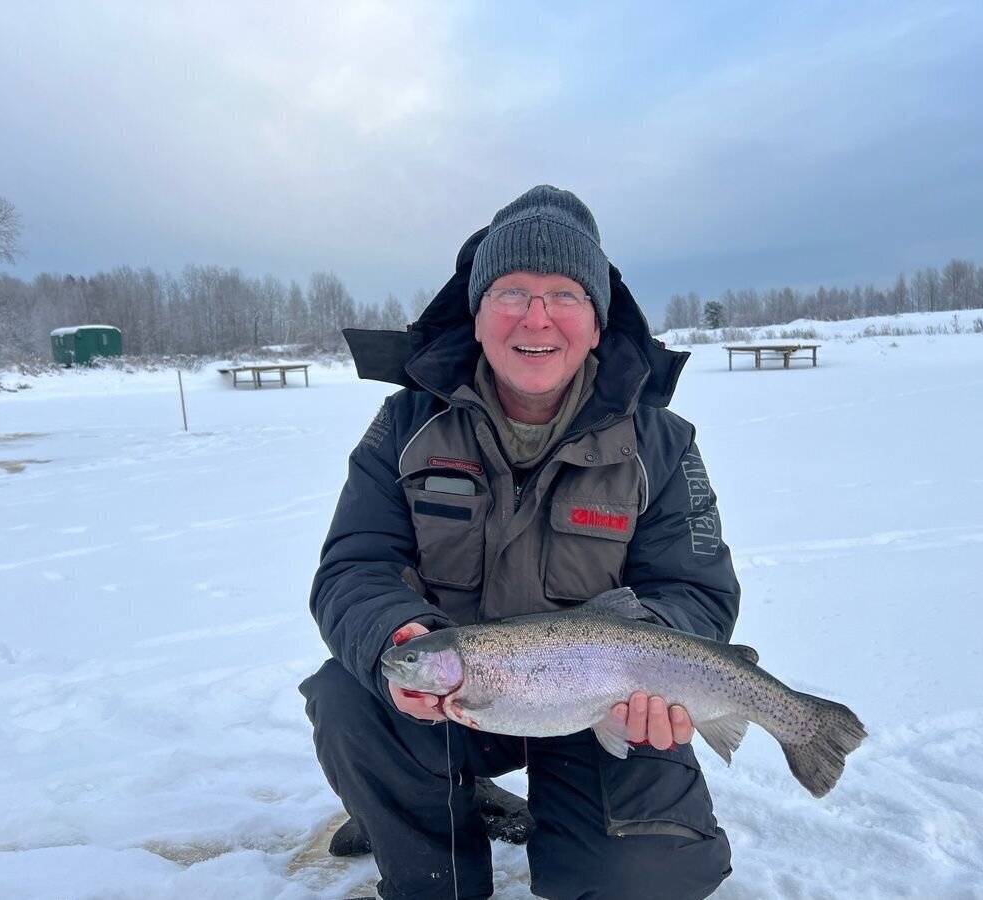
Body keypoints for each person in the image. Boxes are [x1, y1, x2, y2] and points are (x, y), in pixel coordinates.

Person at [300, 185, 741, 900]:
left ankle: (582, 831)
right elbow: (355, 565)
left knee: (645, 879)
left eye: (564, 295)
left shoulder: (661, 443)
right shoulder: (406, 425)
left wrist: (653, 661)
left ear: (597, 322)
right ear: (477, 314)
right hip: (459, 704)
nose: (536, 318)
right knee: (349, 695)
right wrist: (394, 638)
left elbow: (694, 589)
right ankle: (435, 863)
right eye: (510, 292)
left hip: (606, 709)